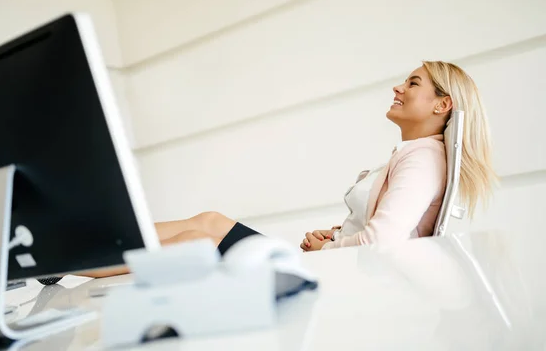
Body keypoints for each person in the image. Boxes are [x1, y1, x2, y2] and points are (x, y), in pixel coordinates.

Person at [81, 60, 497, 279]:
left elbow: (384, 241)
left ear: (442, 105)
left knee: (200, 241)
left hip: (341, 281)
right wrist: (336, 235)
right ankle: (91, 247)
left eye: (412, 83)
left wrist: (328, 251)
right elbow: (384, 227)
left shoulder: (423, 158)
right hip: (339, 268)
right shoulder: (415, 152)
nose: (398, 88)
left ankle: (82, 259)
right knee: (209, 222)